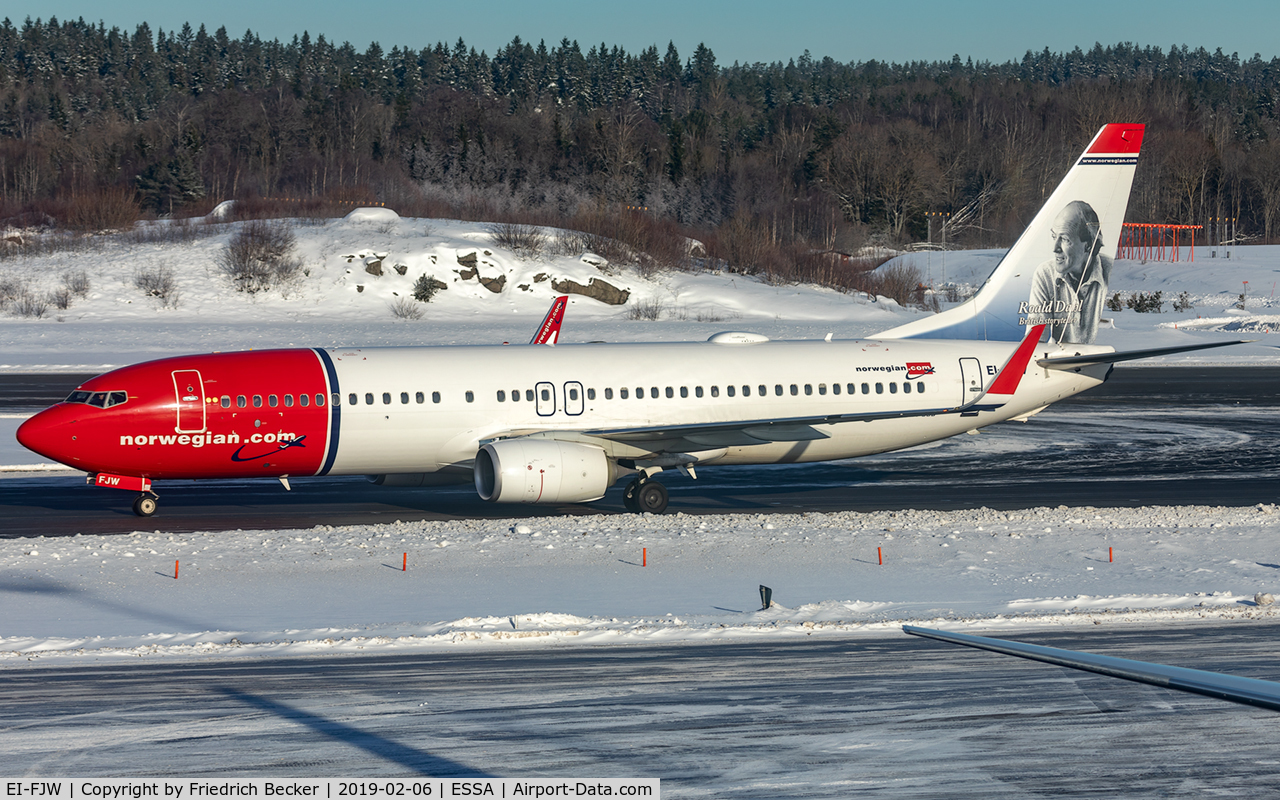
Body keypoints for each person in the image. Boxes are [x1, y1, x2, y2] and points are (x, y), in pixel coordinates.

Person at [1026, 200, 1111, 344]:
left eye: (1065, 239)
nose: (1055, 248)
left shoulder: (1108, 271)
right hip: (1058, 361)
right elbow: (1035, 341)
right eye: (1054, 237)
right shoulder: (1045, 274)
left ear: (1088, 245)